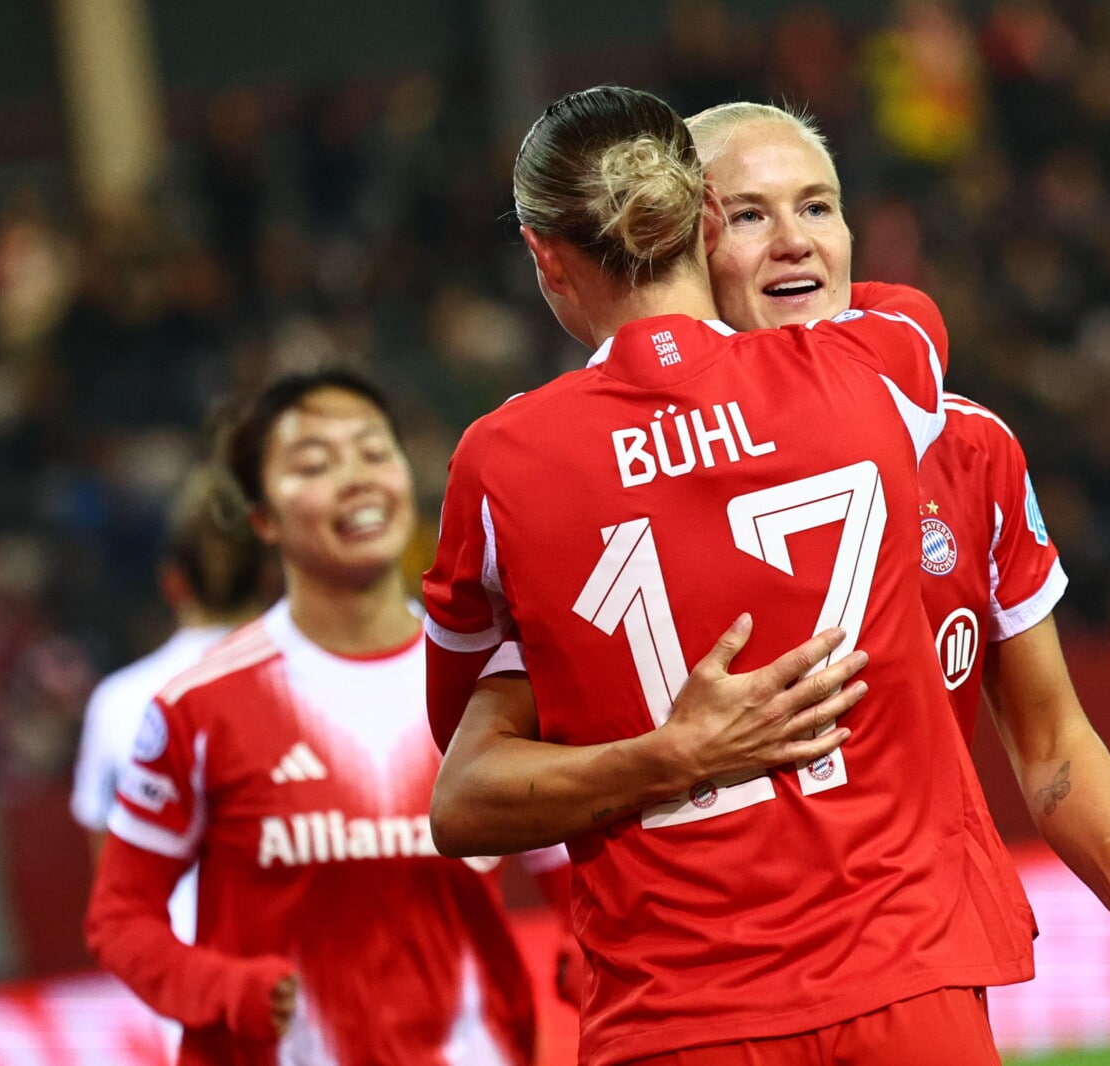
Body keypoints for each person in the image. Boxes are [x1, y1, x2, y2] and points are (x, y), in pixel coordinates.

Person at [424, 86, 1031, 1066]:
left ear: (544, 253)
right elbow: (897, 308)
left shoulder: (504, 462)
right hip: (906, 969)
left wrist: (669, 754)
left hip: (679, 1008)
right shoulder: (875, 366)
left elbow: (463, 762)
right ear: (701, 224)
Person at [685, 101, 1110, 973]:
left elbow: (1049, 736)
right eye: (748, 215)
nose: (795, 241)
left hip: (925, 954)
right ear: (682, 253)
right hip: (719, 967)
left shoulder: (970, 448)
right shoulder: (632, 476)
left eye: (817, 206)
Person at [86, 368, 571, 1065]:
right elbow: (119, 918)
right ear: (263, 519)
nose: (357, 479)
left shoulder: (492, 680)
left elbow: (577, 879)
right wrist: (223, 990)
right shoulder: (197, 705)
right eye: (314, 464)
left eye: (374, 452)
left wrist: (585, 952)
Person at [70, 463, 266, 1056]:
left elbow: (113, 876)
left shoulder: (119, 701)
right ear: (269, 574)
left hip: (187, 975)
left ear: (172, 583)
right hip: (313, 959)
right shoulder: (304, 668)